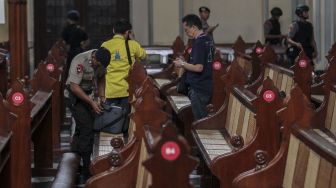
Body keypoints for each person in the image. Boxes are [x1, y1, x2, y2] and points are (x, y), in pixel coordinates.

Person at [64, 47, 111, 183]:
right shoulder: (80, 60)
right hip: (74, 97)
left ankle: (76, 158)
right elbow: (74, 87)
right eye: (98, 64)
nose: (99, 67)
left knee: (84, 126)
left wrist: (102, 96)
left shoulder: (101, 61)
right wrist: (91, 102)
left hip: (87, 94)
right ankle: (86, 169)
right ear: (94, 58)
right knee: (87, 128)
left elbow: (101, 78)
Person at [100, 19, 146, 138]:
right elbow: (143, 56)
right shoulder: (133, 45)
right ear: (127, 32)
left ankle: (112, 145)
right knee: (127, 125)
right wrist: (133, 39)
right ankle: (125, 146)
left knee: (112, 123)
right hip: (127, 90)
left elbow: (100, 66)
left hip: (111, 91)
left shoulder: (105, 45)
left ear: (114, 30)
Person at [173, 14, 214, 120]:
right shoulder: (207, 39)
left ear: (194, 27)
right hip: (204, 85)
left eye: (186, 30)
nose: (186, 33)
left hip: (198, 88)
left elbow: (199, 67)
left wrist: (182, 64)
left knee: (201, 124)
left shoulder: (199, 42)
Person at [61, 10, 89, 77]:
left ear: (69, 19)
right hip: (80, 51)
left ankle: (71, 83)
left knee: (71, 69)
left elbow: (64, 43)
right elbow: (87, 40)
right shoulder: (80, 29)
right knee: (80, 68)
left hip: (71, 52)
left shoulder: (66, 30)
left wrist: (65, 51)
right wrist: (83, 47)